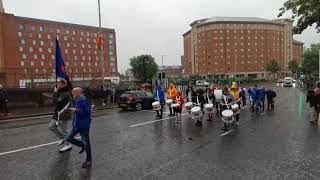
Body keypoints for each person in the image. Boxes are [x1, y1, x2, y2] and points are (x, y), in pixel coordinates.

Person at [66, 87, 92, 168]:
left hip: (83, 126)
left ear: (77, 93)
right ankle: (82, 145)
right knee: (68, 138)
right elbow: (78, 111)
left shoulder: (83, 100)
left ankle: (89, 160)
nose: (72, 94)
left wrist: (76, 110)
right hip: (76, 125)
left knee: (87, 143)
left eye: (73, 93)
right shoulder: (77, 100)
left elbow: (87, 112)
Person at [49, 78, 73, 152]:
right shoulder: (60, 92)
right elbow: (55, 100)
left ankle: (68, 144)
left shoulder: (66, 93)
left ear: (64, 84)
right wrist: (56, 92)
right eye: (58, 83)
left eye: (59, 83)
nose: (58, 84)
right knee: (51, 127)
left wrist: (55, 92)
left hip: (64, 114)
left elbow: (56, 101)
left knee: (64, 130)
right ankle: (64, 138)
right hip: (57, 114)